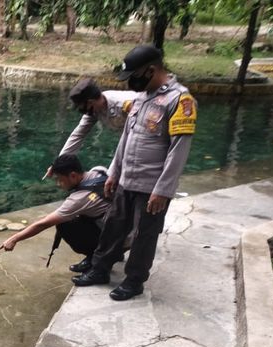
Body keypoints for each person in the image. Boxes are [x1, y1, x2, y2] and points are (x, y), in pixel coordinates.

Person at [72, 44, 197, 301]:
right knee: (113, 226)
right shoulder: (141, 98)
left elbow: (178, 150)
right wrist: (115, 173)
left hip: (151, 186)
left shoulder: (179, 100)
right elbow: (126, 139)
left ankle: (134, 281)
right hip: (126, 180)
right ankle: (100, 269)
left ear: (151, 70)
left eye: (133, 76)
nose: (131, 82)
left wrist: (163, 190)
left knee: (143, 235)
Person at [0, 154, 110, 273]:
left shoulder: (79, 200)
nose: (58, 184)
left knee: (65, 224)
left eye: (59, 179)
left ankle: (99, 260)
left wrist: (14, 239)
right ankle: (107, 253)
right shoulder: (98, 171)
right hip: (122, 229)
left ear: (73, 175)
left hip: (118, 240)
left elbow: (44, 224)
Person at [59, 78, 140, 157]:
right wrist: (59, 163)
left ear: (90, 102)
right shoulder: (94, 110)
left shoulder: (126, 103)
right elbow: (78, 135)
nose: (83, 112)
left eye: (82, 109)